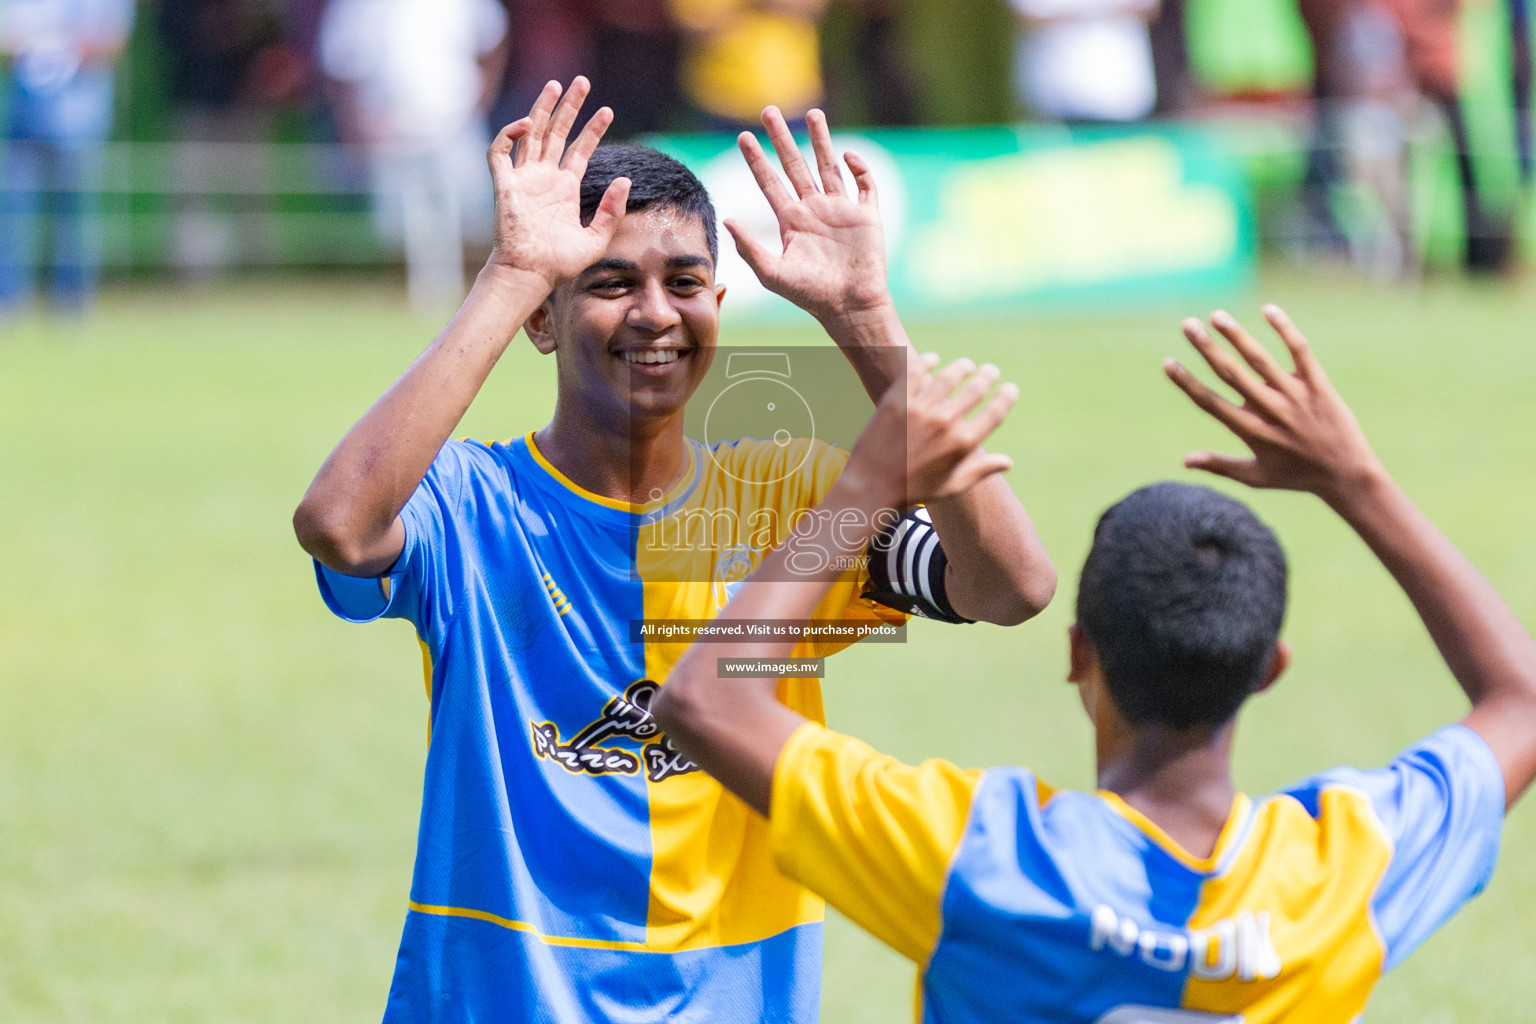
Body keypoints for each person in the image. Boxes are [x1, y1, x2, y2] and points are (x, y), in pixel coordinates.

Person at [292, 77, 1056, 1021]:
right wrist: (513, 270)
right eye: (611, 284)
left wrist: (864, 316)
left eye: (684, 283)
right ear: (544, 318)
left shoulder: (789, 496)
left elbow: (1011, 585)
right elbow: (338, 524)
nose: (656, 312)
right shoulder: (470, 500)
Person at [655, 305, 1536, 1022]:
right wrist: (1357, 481)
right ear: (1270, 667)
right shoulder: (1344, 872)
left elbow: (701, 703)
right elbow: (1522, 703)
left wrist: (862, 489)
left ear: (1081, 655)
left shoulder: (986, 859)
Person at [318, 0, 508, 313]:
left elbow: (493, 40)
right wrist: (356, 129)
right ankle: (411, 306)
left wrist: (481, 99)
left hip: (455, 122)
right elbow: (342, 65)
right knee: (397, 228)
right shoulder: (357, 7)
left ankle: (472, 304)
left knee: (470, 219)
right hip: (388, 128)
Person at [0, 0, 135, 317]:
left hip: (80, 122)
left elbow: (113, 42)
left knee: (75, 220)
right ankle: (8, 302)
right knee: (13, 217)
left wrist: (65, 49)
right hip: (25, 119)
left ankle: (71, 306)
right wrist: (33, 47)